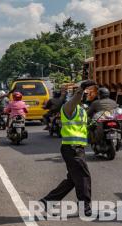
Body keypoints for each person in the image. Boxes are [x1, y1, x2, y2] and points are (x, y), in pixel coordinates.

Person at [40, 80, 97, 217]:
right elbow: (76, 99)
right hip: (72, 148)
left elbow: (79, 127)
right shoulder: (68, 107)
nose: (84, 96)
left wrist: (90, 126)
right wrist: (81, 88)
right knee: (83, 176)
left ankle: (47, 201)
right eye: (83, 94)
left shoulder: (82, 110)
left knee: (73, 179)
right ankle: (85, 207)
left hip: (77, 148)